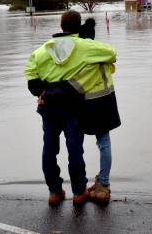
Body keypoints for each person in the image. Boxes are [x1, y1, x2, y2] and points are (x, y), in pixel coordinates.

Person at [25, 11, 117, 206]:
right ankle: (78, 192)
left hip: (49, 107)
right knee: (75, 150)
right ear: (78, 26)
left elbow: (31, 76)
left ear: (61, 26)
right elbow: (111, 54)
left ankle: (54, 192)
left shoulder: (42, 50)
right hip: (73, 106)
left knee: (49, 149)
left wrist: (41, 93)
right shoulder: (85, 46)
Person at [77, 17, 121, 204]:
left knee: (76, 143)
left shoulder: (81, 55)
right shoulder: (103, 53)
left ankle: (85, 185)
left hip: (89, 102)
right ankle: (103, 182)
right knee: (104, 143)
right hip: (107, 101)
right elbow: (112, 68)